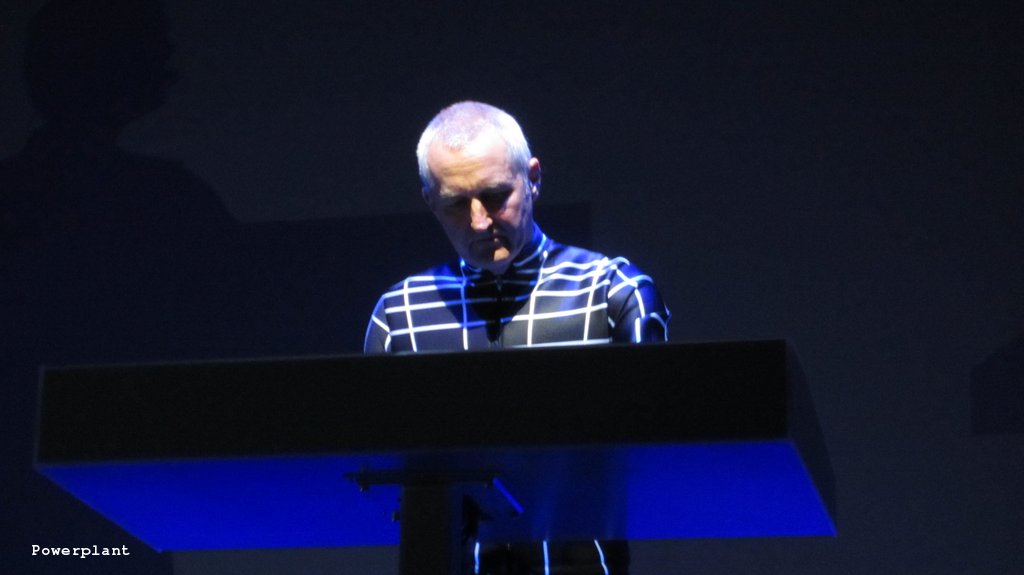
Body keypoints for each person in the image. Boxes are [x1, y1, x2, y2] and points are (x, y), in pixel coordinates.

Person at [364, 101, 670, 574]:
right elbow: (374, 479)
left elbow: (657, 459)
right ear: (430, 201)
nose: (479, 221)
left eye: (494, 195)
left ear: (533, 178)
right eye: (455, 204)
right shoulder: (398, 315)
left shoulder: (613, 291)